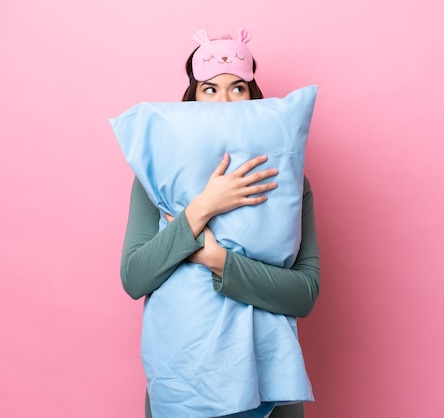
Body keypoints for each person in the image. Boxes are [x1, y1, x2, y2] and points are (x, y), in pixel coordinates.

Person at [120, 28, 320, 418]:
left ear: (253, 97)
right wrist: (203, 208)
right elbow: (134, 277)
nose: (225, 100)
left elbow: (304, 293)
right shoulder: (156, 177)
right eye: (210, 88)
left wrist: (217, 259)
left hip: (271, 387)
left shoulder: (289, 182)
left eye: (237, 88)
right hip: (183, 384)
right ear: (192, 98)